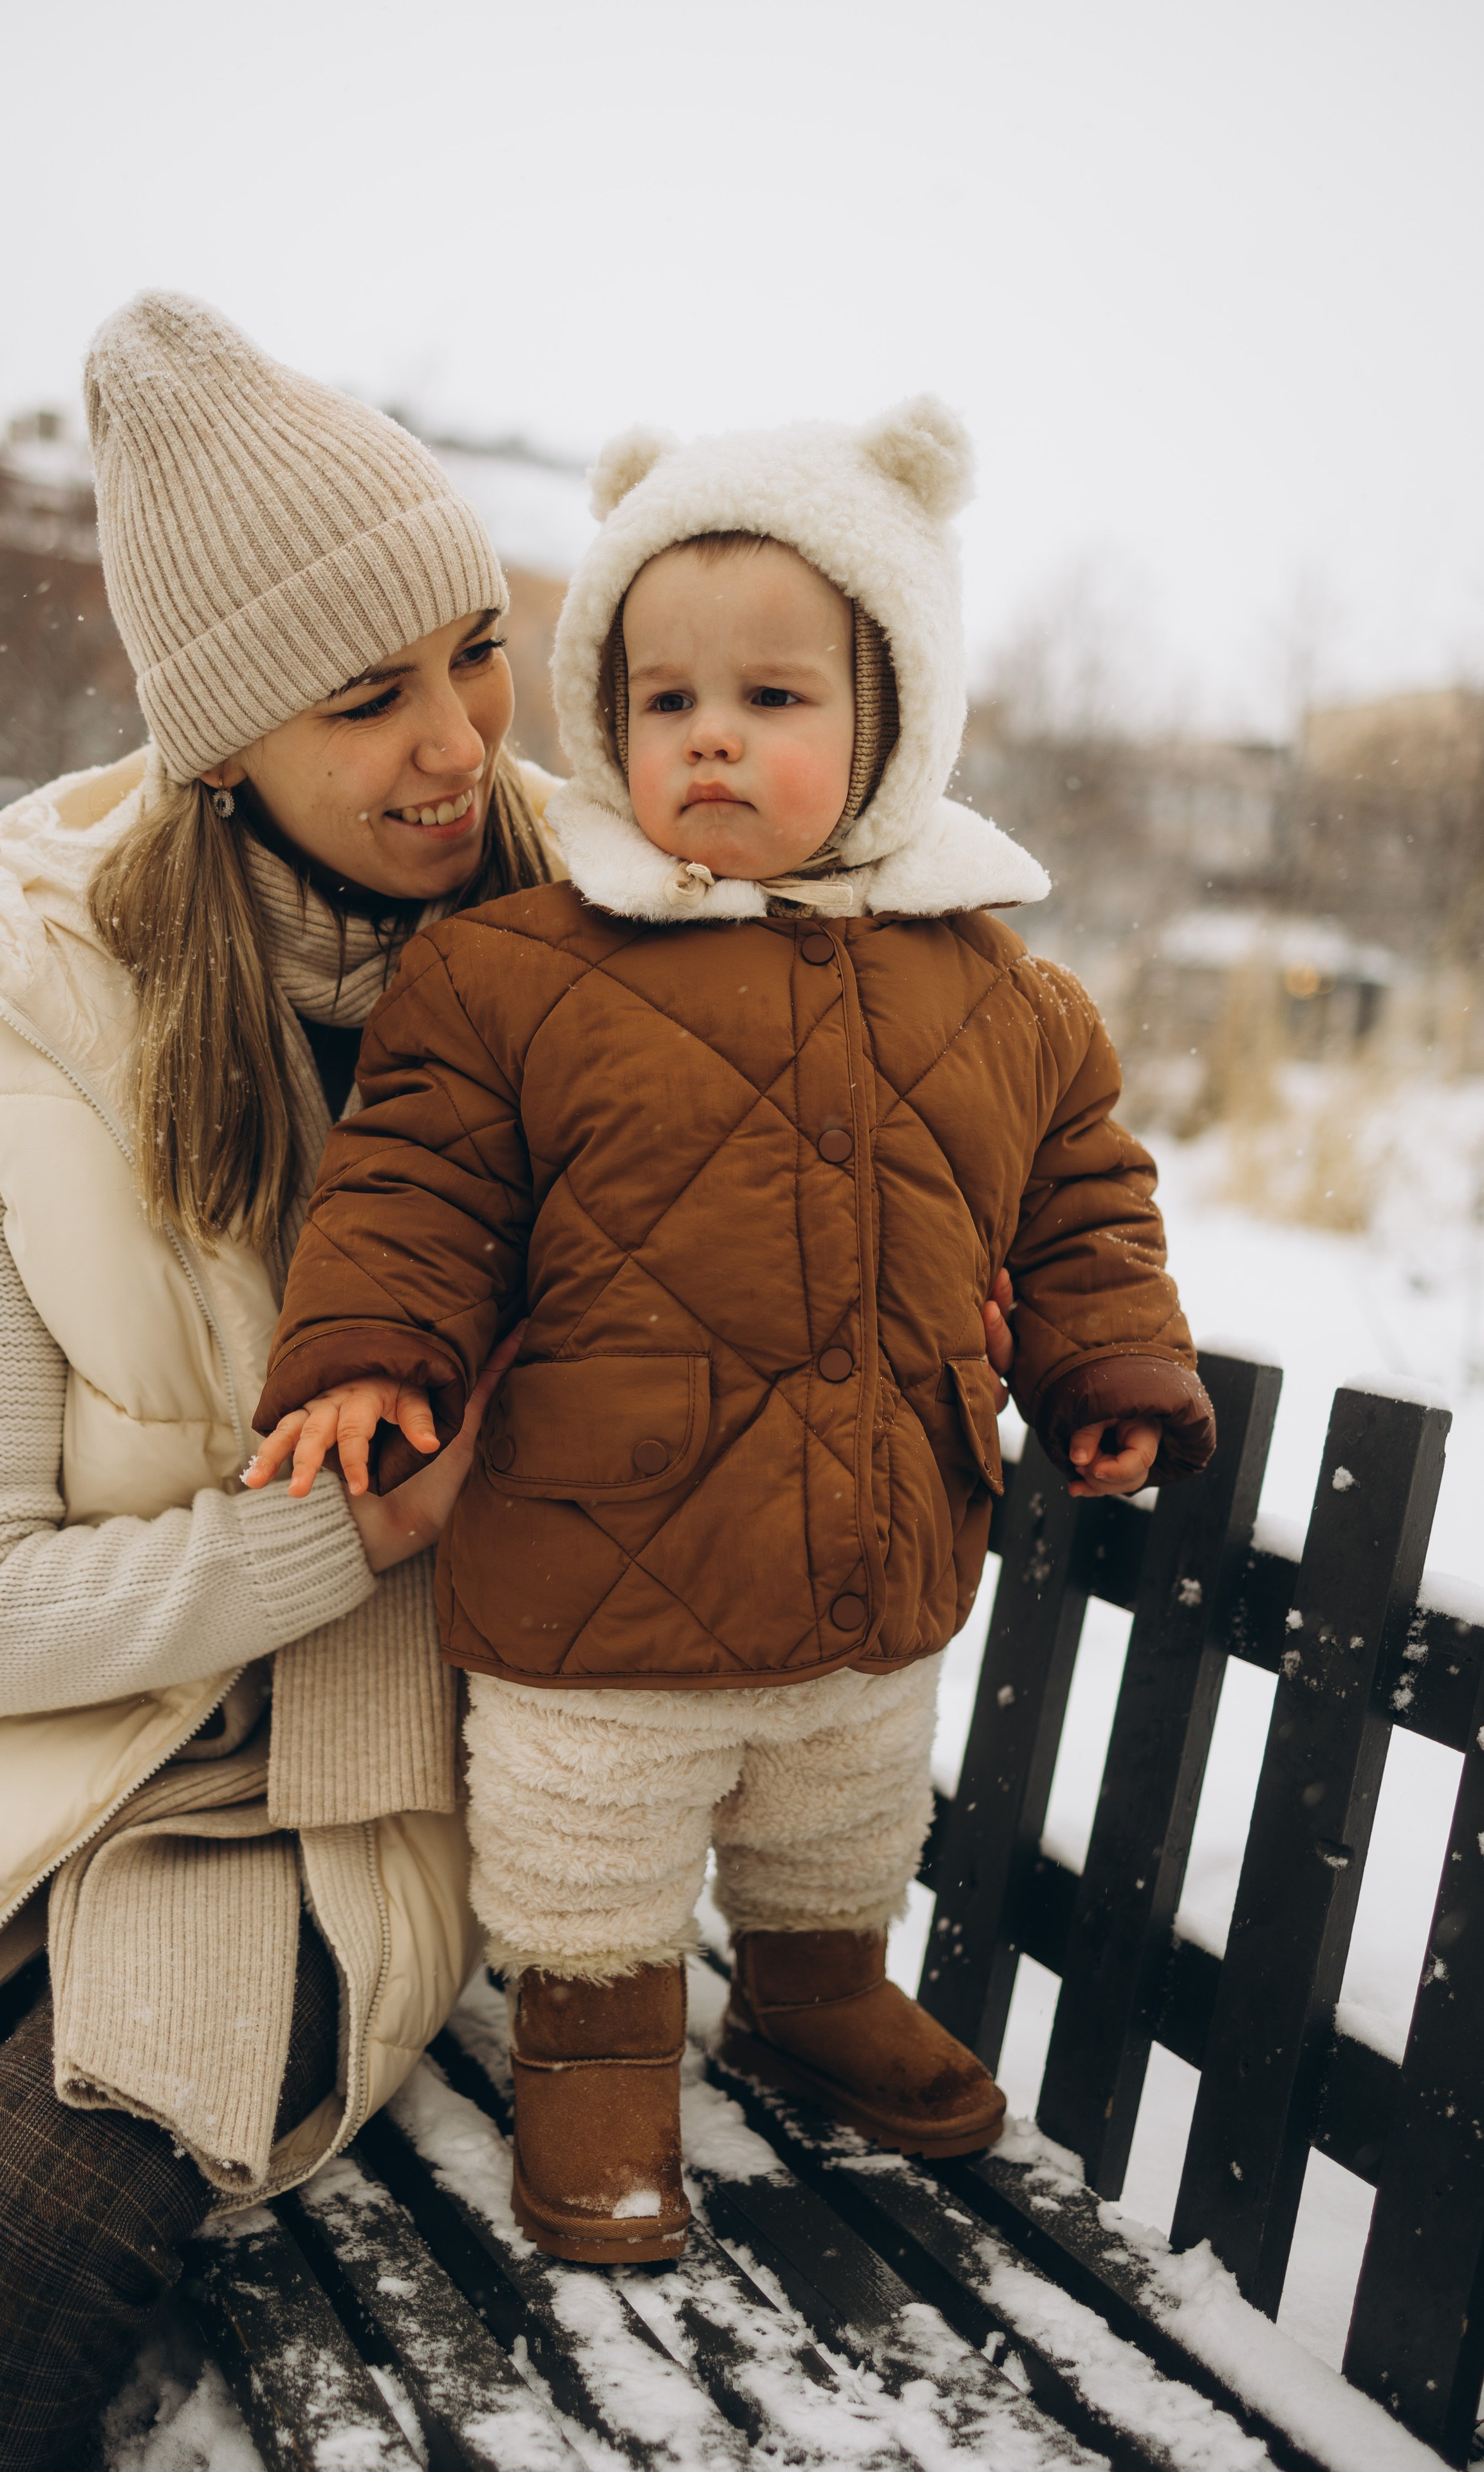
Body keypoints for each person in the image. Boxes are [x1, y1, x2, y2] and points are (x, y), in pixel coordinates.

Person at [248, 398, 1218, 2267]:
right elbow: (418, 1184)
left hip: (877, 1541)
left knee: (841, 1805)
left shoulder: (995, 990)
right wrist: (376, 1349)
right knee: (593, 1845)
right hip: (601, 1554)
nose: (712, 735)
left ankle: (810, 1984)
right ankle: (595, 2058)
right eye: (665, 697)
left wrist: (1105, 1361)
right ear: (610, 721)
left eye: (774, 699)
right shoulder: (521, 968)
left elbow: (1078, 1191)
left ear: (892, 728)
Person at [0, 290, 559, 2470]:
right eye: (370, 696)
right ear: (222, 738)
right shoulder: (39, 1019)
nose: (460, 743)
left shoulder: (605, 958)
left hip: (341, 1801)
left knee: (20, 2233)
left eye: (474, 653)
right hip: (26, 1734)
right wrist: (322, 1535)